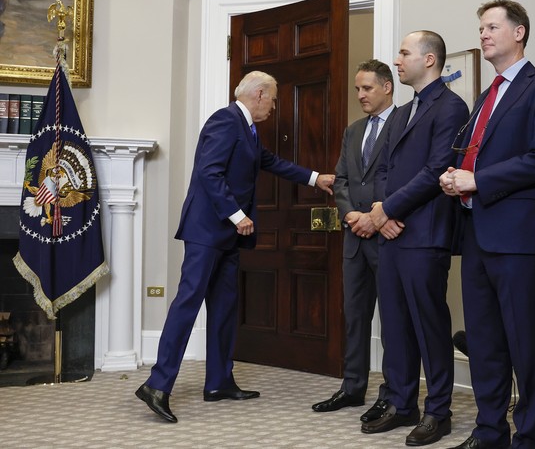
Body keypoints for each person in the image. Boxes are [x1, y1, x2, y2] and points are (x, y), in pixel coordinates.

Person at [136, 70, 334, 423]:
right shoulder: (225, 121)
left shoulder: (248, 129)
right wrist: (237, 214)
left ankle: (219, 382)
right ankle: (157, 385)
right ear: (258, 94)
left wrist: (316, 178)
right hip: (207, 230)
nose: (273, 107)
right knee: (188, 303)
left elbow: (269, 162)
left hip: (227, 236)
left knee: (225, 306)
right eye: (272, 99)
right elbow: (208, 172)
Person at [440, 0, 535, 449]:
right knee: (485, 342)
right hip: (475, 234)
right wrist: (457, 177)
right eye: (480, 29)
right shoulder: (485, 96)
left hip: (517, 238)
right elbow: (476, 154)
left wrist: (478, 179)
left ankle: (527, 437)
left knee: (524, 343)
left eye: (492, 27)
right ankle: (489, 431)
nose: (483, 35)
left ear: (519, 33)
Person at [361, 31, 468, 446]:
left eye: (404, 53)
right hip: (393, 234)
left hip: (426, 234)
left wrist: (388, 210)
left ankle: (437, 411)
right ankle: (401, 402)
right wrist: (383, 215)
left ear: (429, 59)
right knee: (395, 325)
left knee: (429, 325)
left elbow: (436, 170)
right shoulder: (403, 112)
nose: (398, 59)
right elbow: (384, 171)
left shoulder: (452, 106)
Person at [311, 59, 397, 423]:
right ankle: (352, 388)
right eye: (358, 89)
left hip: (387, 236)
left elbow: (399, 178)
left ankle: (393, 393)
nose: (360, 95)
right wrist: (350, 215)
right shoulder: (353, 130)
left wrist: (374, 218)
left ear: (387, 87)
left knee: (393, 320)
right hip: (354, 238)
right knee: (355, 316)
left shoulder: (404, 124)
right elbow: (342, 180)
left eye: (367, 88)